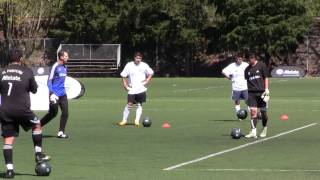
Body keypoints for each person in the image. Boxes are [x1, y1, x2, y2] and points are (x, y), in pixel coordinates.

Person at [0, 49, 50, 178]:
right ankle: (38, 153)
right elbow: (34, 89)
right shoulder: (26, 71)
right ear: (20, 59)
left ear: (9, 59)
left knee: (8, 139)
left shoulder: (2, 72)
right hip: (22, 110)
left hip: (5, 110)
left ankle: (10, 171)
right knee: (37, 125)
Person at [118, 52, 154, 126]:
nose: (138, 60)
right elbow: (123, 75)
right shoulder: (129, 65)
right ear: (134, 58)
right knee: (129, 104)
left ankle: (136, 121)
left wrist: (147, 80)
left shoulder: (144, 65)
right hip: (132, 88)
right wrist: (125, 84)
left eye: (140, 58)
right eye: (137, 58)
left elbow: (151, 72)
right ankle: (124, 120)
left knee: (139, 105)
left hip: (141, 88)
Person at [40, 50, 69, 138]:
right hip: (54, 95)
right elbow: (49, 80)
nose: (68, 58)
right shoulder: (55, 66)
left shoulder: (65, 67)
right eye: (66, 56)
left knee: (65, 113)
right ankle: (37, 126)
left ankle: (61, 132)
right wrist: (51, 93)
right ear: (61, 57)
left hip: (63, 94)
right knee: (53, 113)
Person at [244, 53, 270, 138]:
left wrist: (266, 89)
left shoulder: (261, 65)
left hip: (262, 92)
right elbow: (247, 81)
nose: (248, 61)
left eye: (249, 60)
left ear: (253, 58)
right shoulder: (247, 69)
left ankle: (264, 128)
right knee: (253, 112)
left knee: (263, 113)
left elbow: (266, 77)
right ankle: (253, 131)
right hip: (251, 93)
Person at [222, 53, 249, 121]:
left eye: (241, 59)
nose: (240, 60)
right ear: (236, 59)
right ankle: (239, 116)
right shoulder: (232, 66)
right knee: (237, 102)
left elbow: (251, 71)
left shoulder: (246, 65)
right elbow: (223, 71)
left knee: (248, 101)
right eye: (238, 59)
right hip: (236, 87)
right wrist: (229, 78)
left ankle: (248, 114)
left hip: (245, 86)